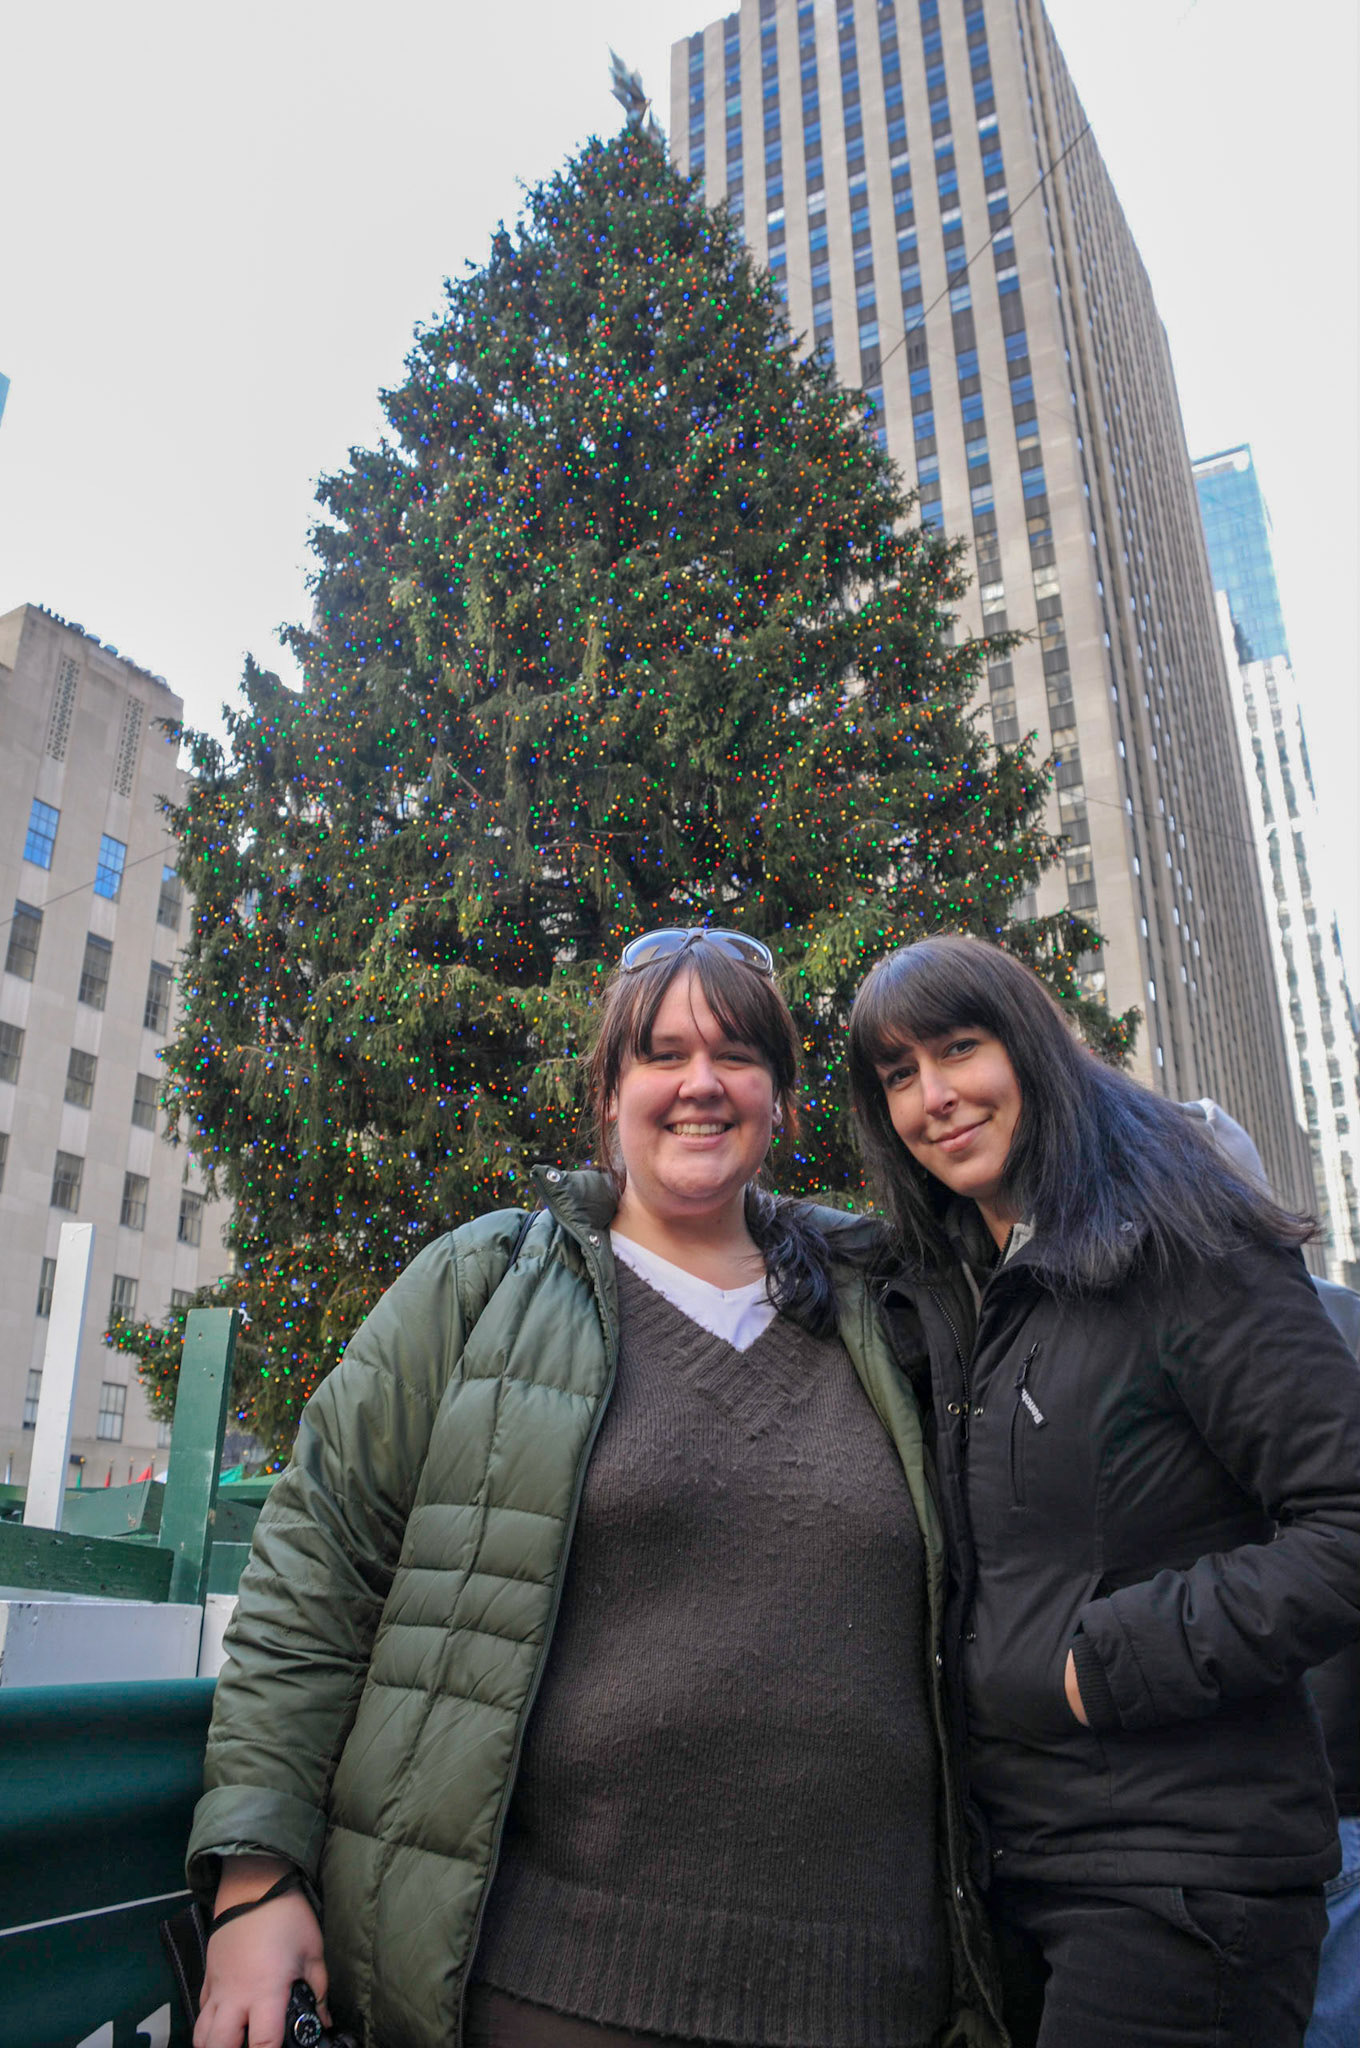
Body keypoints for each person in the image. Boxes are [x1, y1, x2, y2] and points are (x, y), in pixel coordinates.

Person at [188, 927, 1004, 2048]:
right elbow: (313, 1580)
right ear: (608, 1092)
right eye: (662, 1053)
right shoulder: (482, 1287)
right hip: (555, 1991)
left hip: (872, 2000)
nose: (700, 1081)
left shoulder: (895, 1307)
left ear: (784, 1100)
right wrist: (253, 1881)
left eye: (736, 1053)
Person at [846, 931, 1360, 2048]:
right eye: (897, 1074)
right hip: (1021, 1871)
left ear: (1029, 1046)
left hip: (1183, 1883)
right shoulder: (972, 1290)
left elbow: (1346, 1521)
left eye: (958, 1048)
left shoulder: (1182, 1238)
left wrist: (1103, 1663)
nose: (933, 1096)